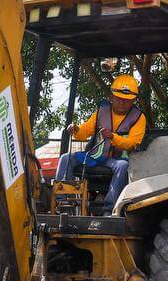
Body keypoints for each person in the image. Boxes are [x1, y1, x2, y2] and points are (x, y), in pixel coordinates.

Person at [55, 74, 147, 211]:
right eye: (119, 98)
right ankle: (63, 202)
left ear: (133, 100)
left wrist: (113, 137)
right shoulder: (101, 111)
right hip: (93, 157)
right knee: (66, 158)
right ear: (112, 96)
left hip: (115, 160)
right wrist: (75, 129)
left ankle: (110, 209)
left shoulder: (139, 117)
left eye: (127, 100)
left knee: (123, 166)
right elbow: (84, 132)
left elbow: (132, 143)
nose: (122, 102)